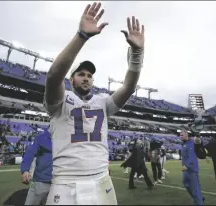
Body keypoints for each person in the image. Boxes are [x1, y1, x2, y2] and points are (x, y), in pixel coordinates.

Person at [44, 2, 145, 205]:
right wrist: (82, 36)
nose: (86, 78)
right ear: (71, 80)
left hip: (101, 179)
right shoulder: (61, 101)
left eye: (90, 75)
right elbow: (54, 76)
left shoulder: (103, 102)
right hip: (66, 182)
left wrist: (137, 55)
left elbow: (128, 87)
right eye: (81, 74)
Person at [21, 129, 52, 205]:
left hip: (61, 181)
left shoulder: (65, 137)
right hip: (42, 181)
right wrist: (25, 170)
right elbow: (30, 153)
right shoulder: (41, 138)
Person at [179, 127, 204, 206]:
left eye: (182, 134)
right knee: (185, 183)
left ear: (188, 134)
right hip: (185, 169)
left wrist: (186, 165)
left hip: (192, 169)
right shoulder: (184, 144)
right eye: (180, 135)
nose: (180, 136)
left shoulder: (191, 144)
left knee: (195, 188)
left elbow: (192, 156)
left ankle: (199, 202)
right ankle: (199, 198)